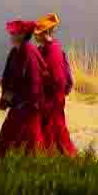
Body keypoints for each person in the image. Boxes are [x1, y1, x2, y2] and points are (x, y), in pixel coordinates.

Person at [0, 19, 50, 157]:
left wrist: (20, 101)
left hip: (28, 105)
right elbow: (10, 77)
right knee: (10, 136)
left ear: (22, 35)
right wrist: (6, 98)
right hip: (20, 104)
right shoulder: (17, 51)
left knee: (28, 139)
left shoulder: (28, 52)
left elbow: (33, 80)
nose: (11, 36)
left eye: (14, 33)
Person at [33, 12, 76, 156]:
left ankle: (58, 155)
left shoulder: (53, 50)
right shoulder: (44, 49)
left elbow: (57, 77)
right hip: (46, 97)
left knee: (54, 128)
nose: (35, 37)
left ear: (45, 33)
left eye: (37, 34)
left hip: (52, 99)